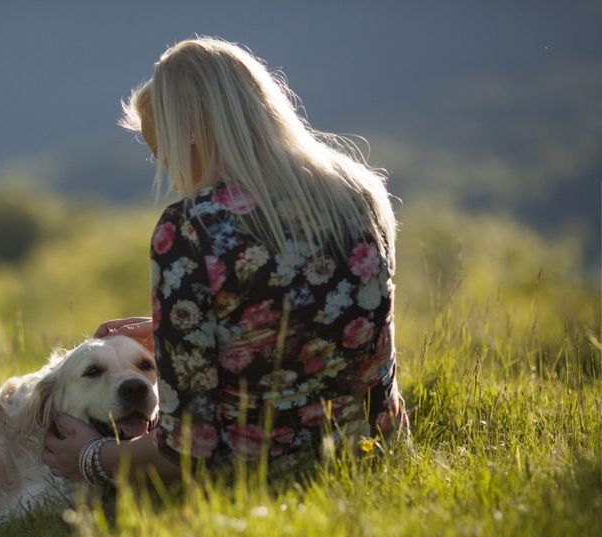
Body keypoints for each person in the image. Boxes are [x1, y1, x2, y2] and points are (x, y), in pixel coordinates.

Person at [42, 36, 409, 485]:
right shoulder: (360, 193)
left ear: (191, 130)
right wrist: (171, 336)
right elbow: (323, 325)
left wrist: (91, 458)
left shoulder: (190, 228)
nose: (175, 178)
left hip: (260, 477)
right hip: (374, 454)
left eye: (166, 153)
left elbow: (186, 449)